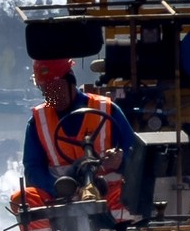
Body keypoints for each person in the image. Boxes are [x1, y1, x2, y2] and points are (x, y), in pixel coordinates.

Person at [23, 59, 139, 221]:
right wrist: (60, 189)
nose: (51, 95)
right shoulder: (38, 121)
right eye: (45, 89)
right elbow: (33, 170)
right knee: (25, 199)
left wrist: (120, 162)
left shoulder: (108, 110)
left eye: (55, 88)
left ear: (71, 81)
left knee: (129, 195)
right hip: (61, 196)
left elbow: (136, 156)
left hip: (105, 191)